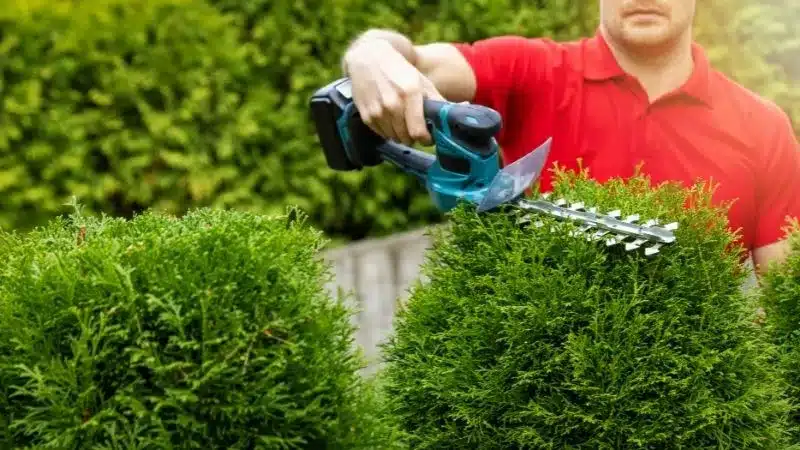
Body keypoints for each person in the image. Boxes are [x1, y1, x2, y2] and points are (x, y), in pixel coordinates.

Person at [341, 0, 800, 276]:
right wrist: (372, 53)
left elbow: (784, 311)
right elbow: (418, 61)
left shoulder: (763, 128)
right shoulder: (532, 71)